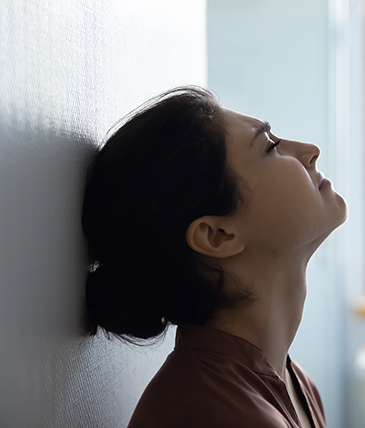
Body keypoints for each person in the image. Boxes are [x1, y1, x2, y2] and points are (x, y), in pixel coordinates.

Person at [81, 86, 347, 428]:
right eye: (271, 147)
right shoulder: (218, 413)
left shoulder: (295, 384)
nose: (311, 151)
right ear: (217, 236)